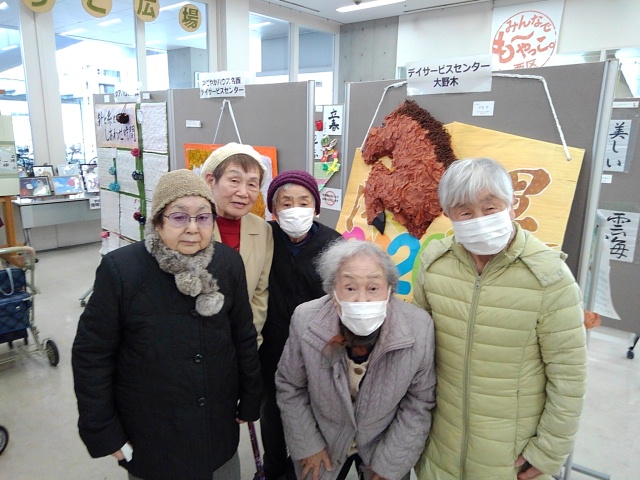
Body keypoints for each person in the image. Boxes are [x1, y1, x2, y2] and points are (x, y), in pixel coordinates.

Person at [72, 169, 261, 480]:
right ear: (158, 220)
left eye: (203, 217)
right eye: (178, 217)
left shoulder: (227, 262)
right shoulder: (122, 270)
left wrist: (251, 395)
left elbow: (243, 334)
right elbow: (91, 354)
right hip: (152, 431)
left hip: (216, 425)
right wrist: (103, 429)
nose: (192, 228)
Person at [412, 157, 587, 480]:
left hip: (511, 457)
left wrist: (549, 450)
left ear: (512, 205)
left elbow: (569, 375)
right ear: (448, 214)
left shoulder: (549, 276)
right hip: (440, 448)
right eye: (465, 212)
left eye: (490, 207)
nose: (479, 219)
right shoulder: (434, 265)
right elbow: (419, 357)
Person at [276, 240, 437, 480]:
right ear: (333, 291)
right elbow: (290, 386)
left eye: (373, 288)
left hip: (383, 441)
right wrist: (308, 445)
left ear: (389, 290)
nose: (362, 299)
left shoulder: (419, 327)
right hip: (324, 439)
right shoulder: (305, 318)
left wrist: (390, 464)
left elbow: (419, 402)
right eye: (350, 288)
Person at [258, 169, 343, 480]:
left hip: (318, 347)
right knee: (272, 414)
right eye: (286, 203)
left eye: (304, 202)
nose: (295, 209)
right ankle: (273, 469)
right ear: (274, 210)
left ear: (316, 208)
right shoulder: (264, 238)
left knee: (314, 411)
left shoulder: (333, 243)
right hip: (271, 345)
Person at [201, 142, 273, 345]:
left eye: (252, 184)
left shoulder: (263, 229)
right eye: (234, 181)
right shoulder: (192, 226)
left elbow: (259, 293)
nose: (243, 192)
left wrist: (249, 338)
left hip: (243, 341)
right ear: (210, 181)